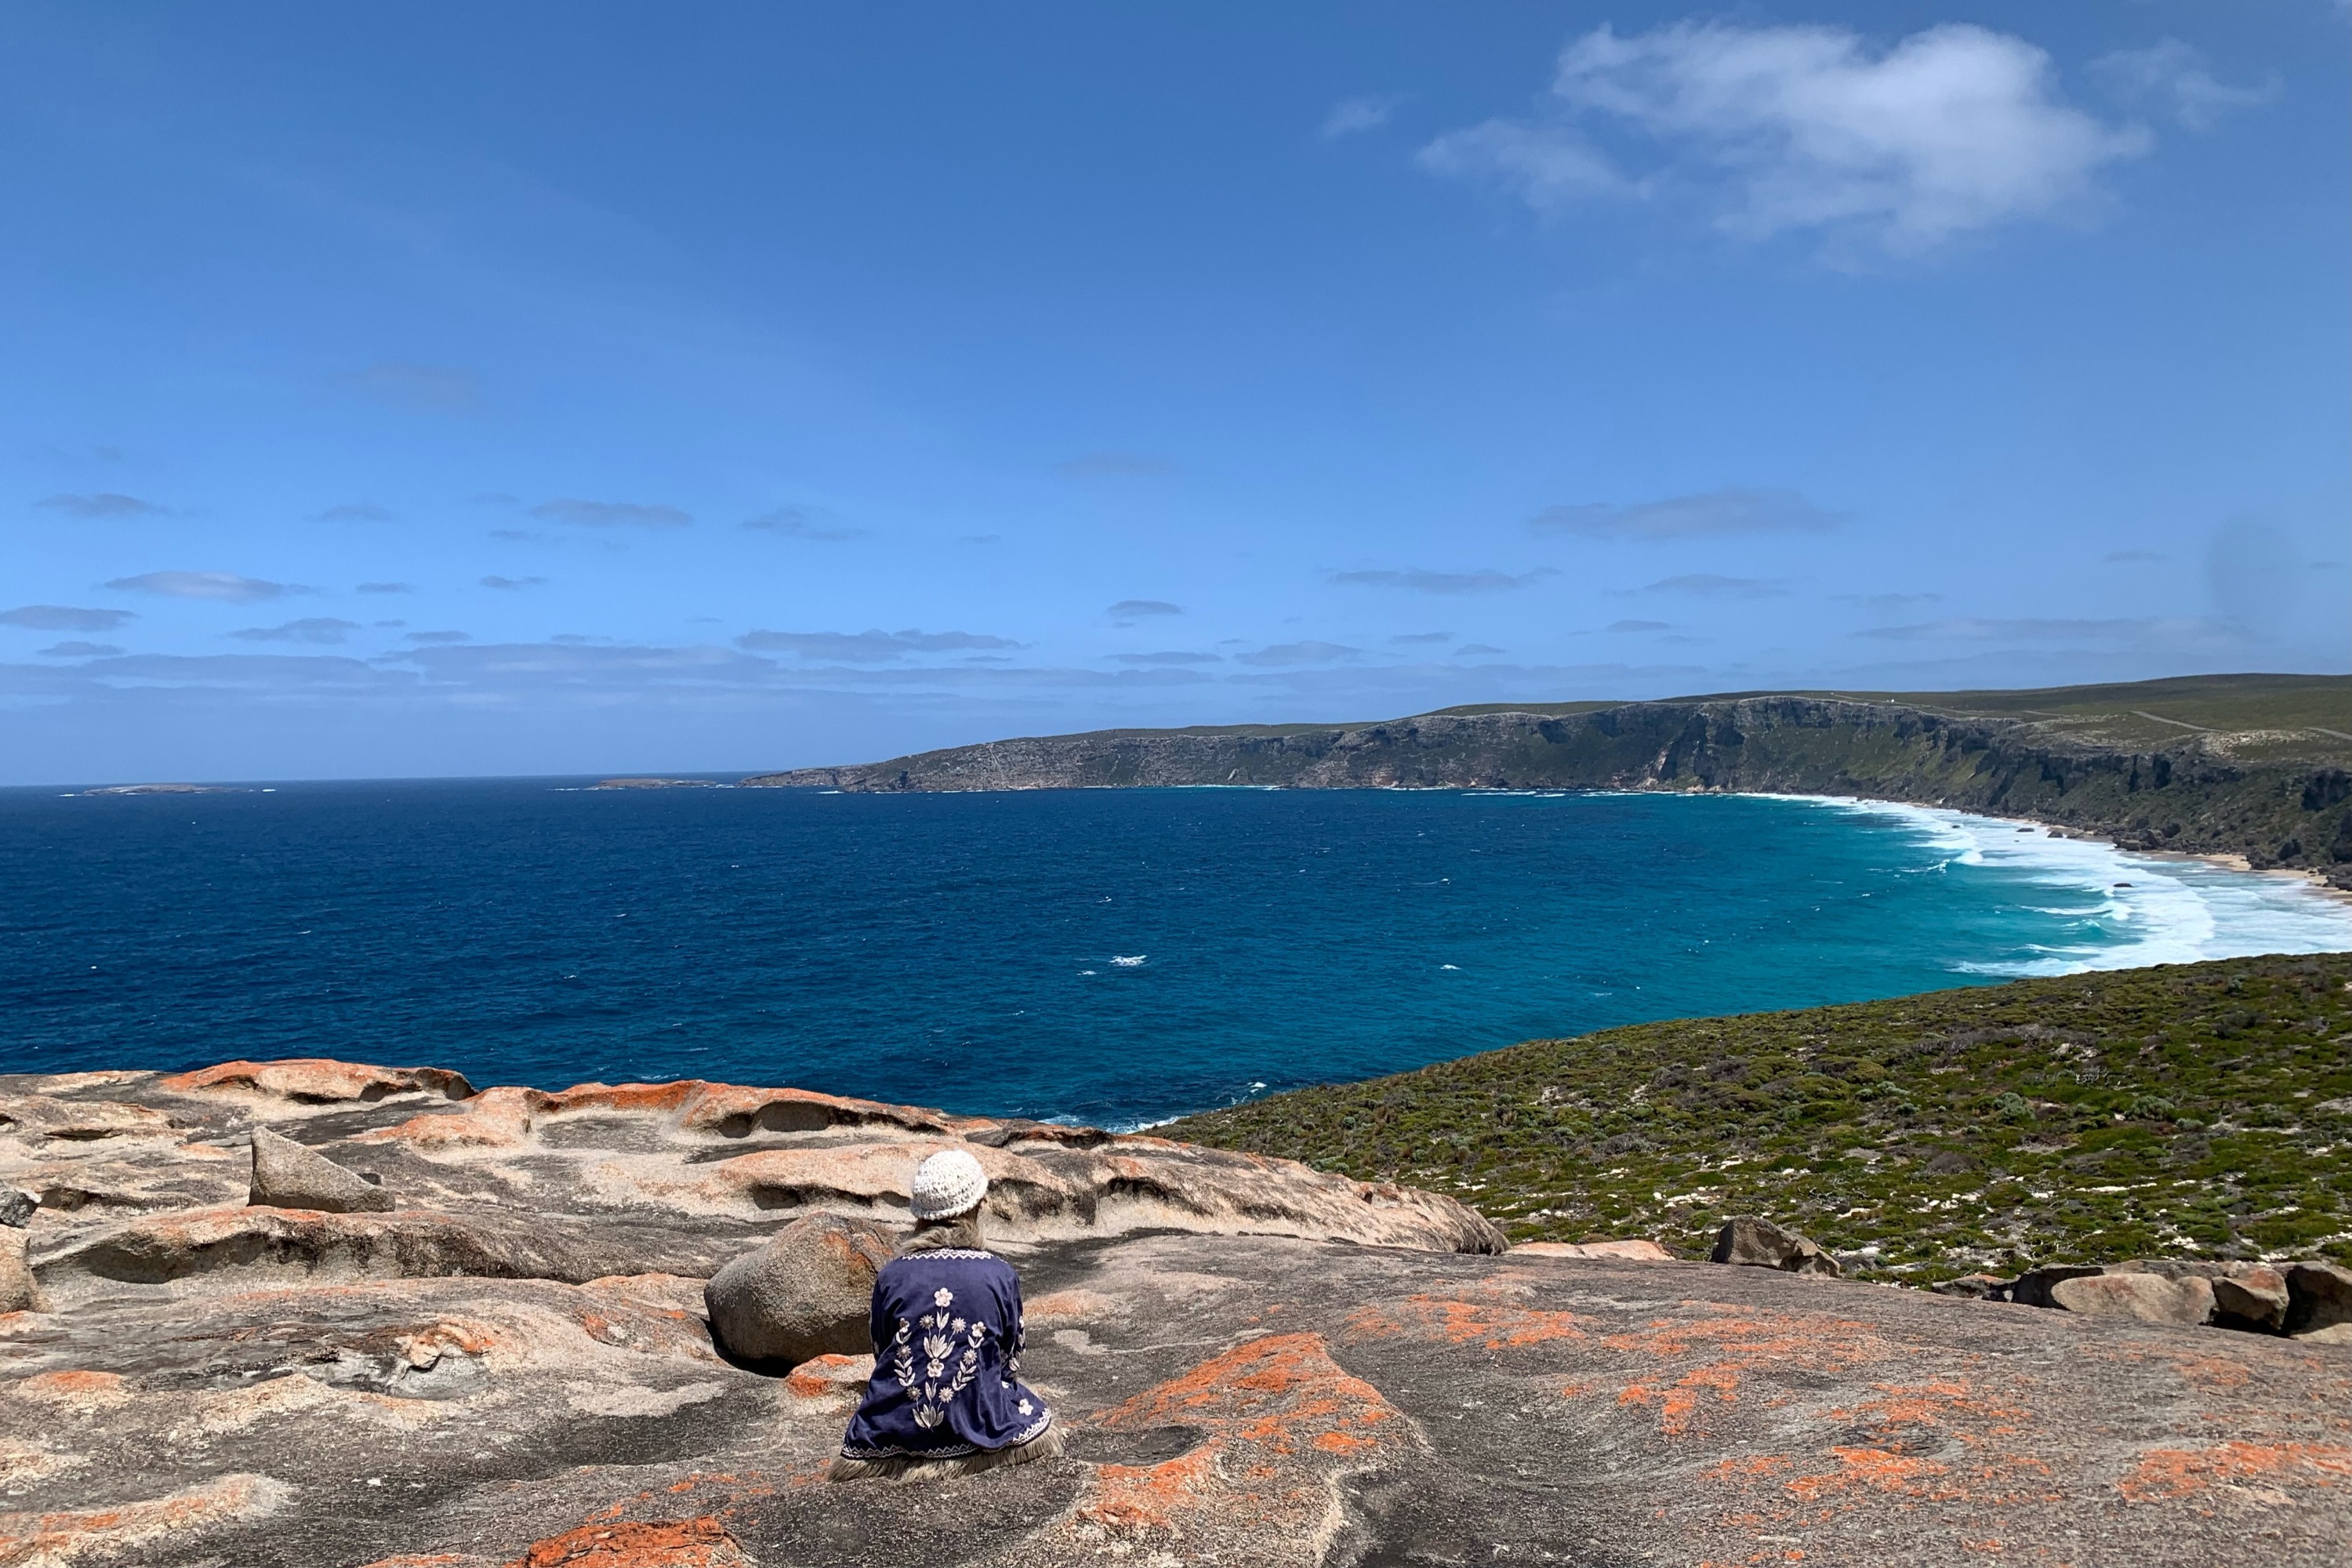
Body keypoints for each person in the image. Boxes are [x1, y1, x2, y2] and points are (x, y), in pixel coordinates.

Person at [831, 1148, 1061, 1481]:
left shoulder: (891, 1275)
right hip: (980, 1421)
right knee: (1035, 1415)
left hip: (892, 1432)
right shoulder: (999, 1273)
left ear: (920, 1216)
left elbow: (882, 1351)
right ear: (975, 1208)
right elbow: (1010, 1361)